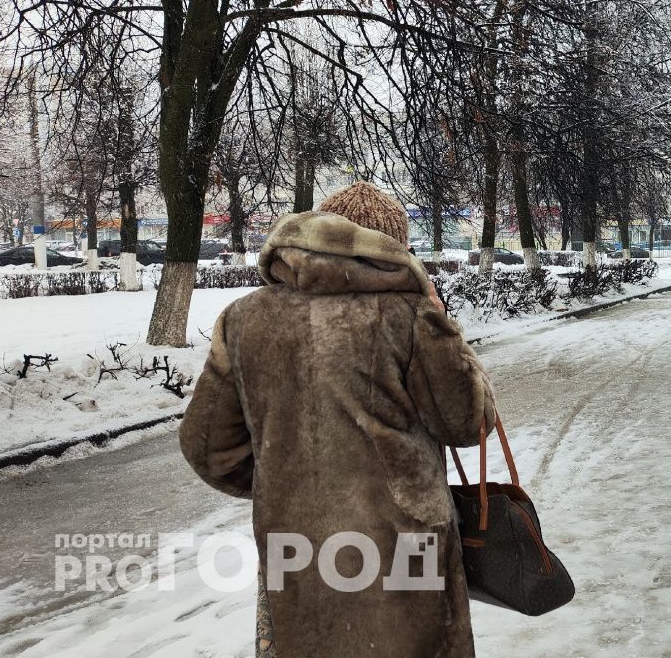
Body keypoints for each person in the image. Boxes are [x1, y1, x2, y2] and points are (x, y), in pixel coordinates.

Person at [179, 181, 495, 658]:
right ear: (390, 247)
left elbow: (208, 449)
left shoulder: (243, 318)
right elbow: (468, 421)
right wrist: (446, 330)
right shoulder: (408, 315)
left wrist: (289, 484)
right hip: (402, 545)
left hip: (297, 547)